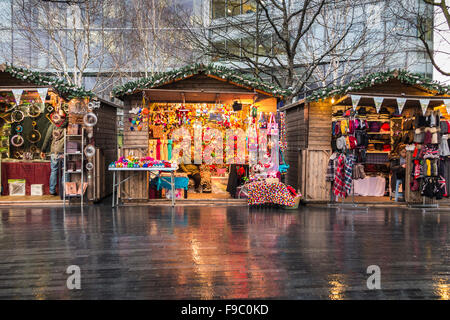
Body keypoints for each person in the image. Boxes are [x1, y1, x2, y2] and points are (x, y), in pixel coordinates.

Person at [41, 111, 67, 195]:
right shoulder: (67, 126)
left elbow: (47, 139)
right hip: (64, 151)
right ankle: (64, 190)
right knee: (65, 171)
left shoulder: (52, 126)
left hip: (54, 151)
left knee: (54, 171)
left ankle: (52, 190)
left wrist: (43, 150)